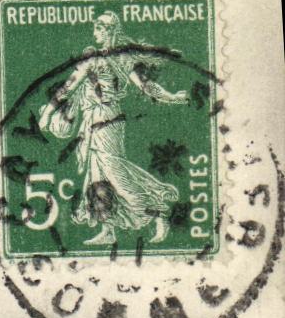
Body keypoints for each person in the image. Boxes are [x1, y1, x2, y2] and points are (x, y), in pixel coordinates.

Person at [40, 12, 189, 246]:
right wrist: (172, 98)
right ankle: (108, 229)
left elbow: (68, 87)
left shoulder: (100, 59)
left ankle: (158, 212)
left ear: (109, 31)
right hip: (102, 122)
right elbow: (147, 87)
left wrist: (48, 113)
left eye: (98, 30)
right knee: (96, 178)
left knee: (115, 175)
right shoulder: (122, 59)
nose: (94, 34)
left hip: (104, 123)